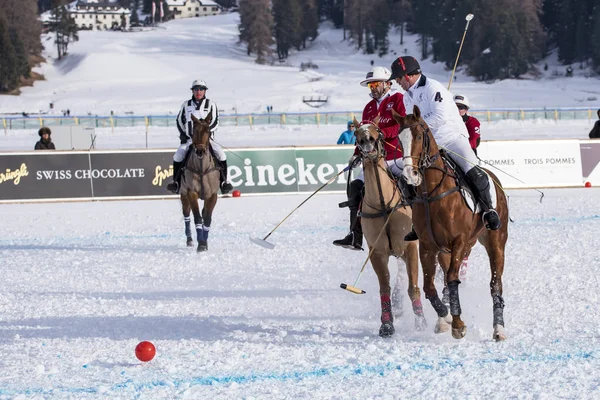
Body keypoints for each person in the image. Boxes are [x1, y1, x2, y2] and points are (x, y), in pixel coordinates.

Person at [389, 56, 501, 241]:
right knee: (406, 178)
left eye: (398, 78)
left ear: (408, 75)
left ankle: (489, 211)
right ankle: (418, 223)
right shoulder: (406, 96)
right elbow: (412, 121)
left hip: (451, 138)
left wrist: (419, 127)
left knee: (474, 172)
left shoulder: (433, 88)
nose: (397, 82)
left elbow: (440, 116)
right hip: (429, 144)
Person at [332, 66, 406, 250]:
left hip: (396, 156)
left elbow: (401, 126)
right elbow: (363, 136)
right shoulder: (369, 108)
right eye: (370, 85)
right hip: (373, 160)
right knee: (355, 187)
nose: (372, 88)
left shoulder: (398, 100)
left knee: (411, 183)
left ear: (387, 83)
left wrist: (380, 132)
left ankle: (419, 226)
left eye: (375, 84)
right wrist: (356, 155)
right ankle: (354, 235)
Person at [166, 79, 233, 195]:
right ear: (192, 91)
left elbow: (216, 120)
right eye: (196, 89)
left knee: (221, 154)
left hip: (207, 141)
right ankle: (175, 183)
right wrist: (184, 134)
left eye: (201, 89)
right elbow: (179, 120)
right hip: (189, 140)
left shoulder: (211, 104)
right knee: (178, 156)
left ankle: (224, 182)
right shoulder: (186, 105)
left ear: (205, 91)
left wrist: (207, 133)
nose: (199, 92)